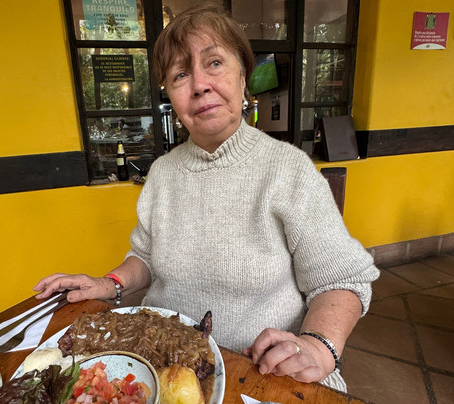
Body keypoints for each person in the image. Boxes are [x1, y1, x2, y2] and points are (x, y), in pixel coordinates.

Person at [34, 3, 379, 391]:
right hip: (164, 364)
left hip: (260, 372)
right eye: (181, 74)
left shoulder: (287, 169)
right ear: (170, 94)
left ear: (243, 76)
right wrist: (110, 283)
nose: (199, 84)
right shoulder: (163, 173)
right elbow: (145, 257)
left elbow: (340, 279)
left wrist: (317, 346)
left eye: (214, 63)